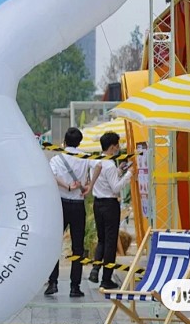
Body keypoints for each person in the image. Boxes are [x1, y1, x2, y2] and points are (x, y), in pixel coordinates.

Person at [43, 127, 92, 298]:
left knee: (55, 244)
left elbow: (51, 175)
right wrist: (89, 186)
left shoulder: (57, 159)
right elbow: (100, 165)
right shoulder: (85, 158)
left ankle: (53, 282)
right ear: (79, 142)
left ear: (64, 141)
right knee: (77, 247)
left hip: (61, 205)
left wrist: (67, 186)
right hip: (78, 205)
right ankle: (75, 287)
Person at [87, 131, 133, 289]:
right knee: (111, 242)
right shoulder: (109, 165)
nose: (118, 148)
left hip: (98, 203)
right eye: (117, 145)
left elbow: (106, 180)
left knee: (102, 239)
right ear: (112, 147)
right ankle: (106, 278)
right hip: (110, 205)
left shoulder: (96, 161)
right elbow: (115, 188)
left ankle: (95, 269)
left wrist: (119, 171)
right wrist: (129, 174)